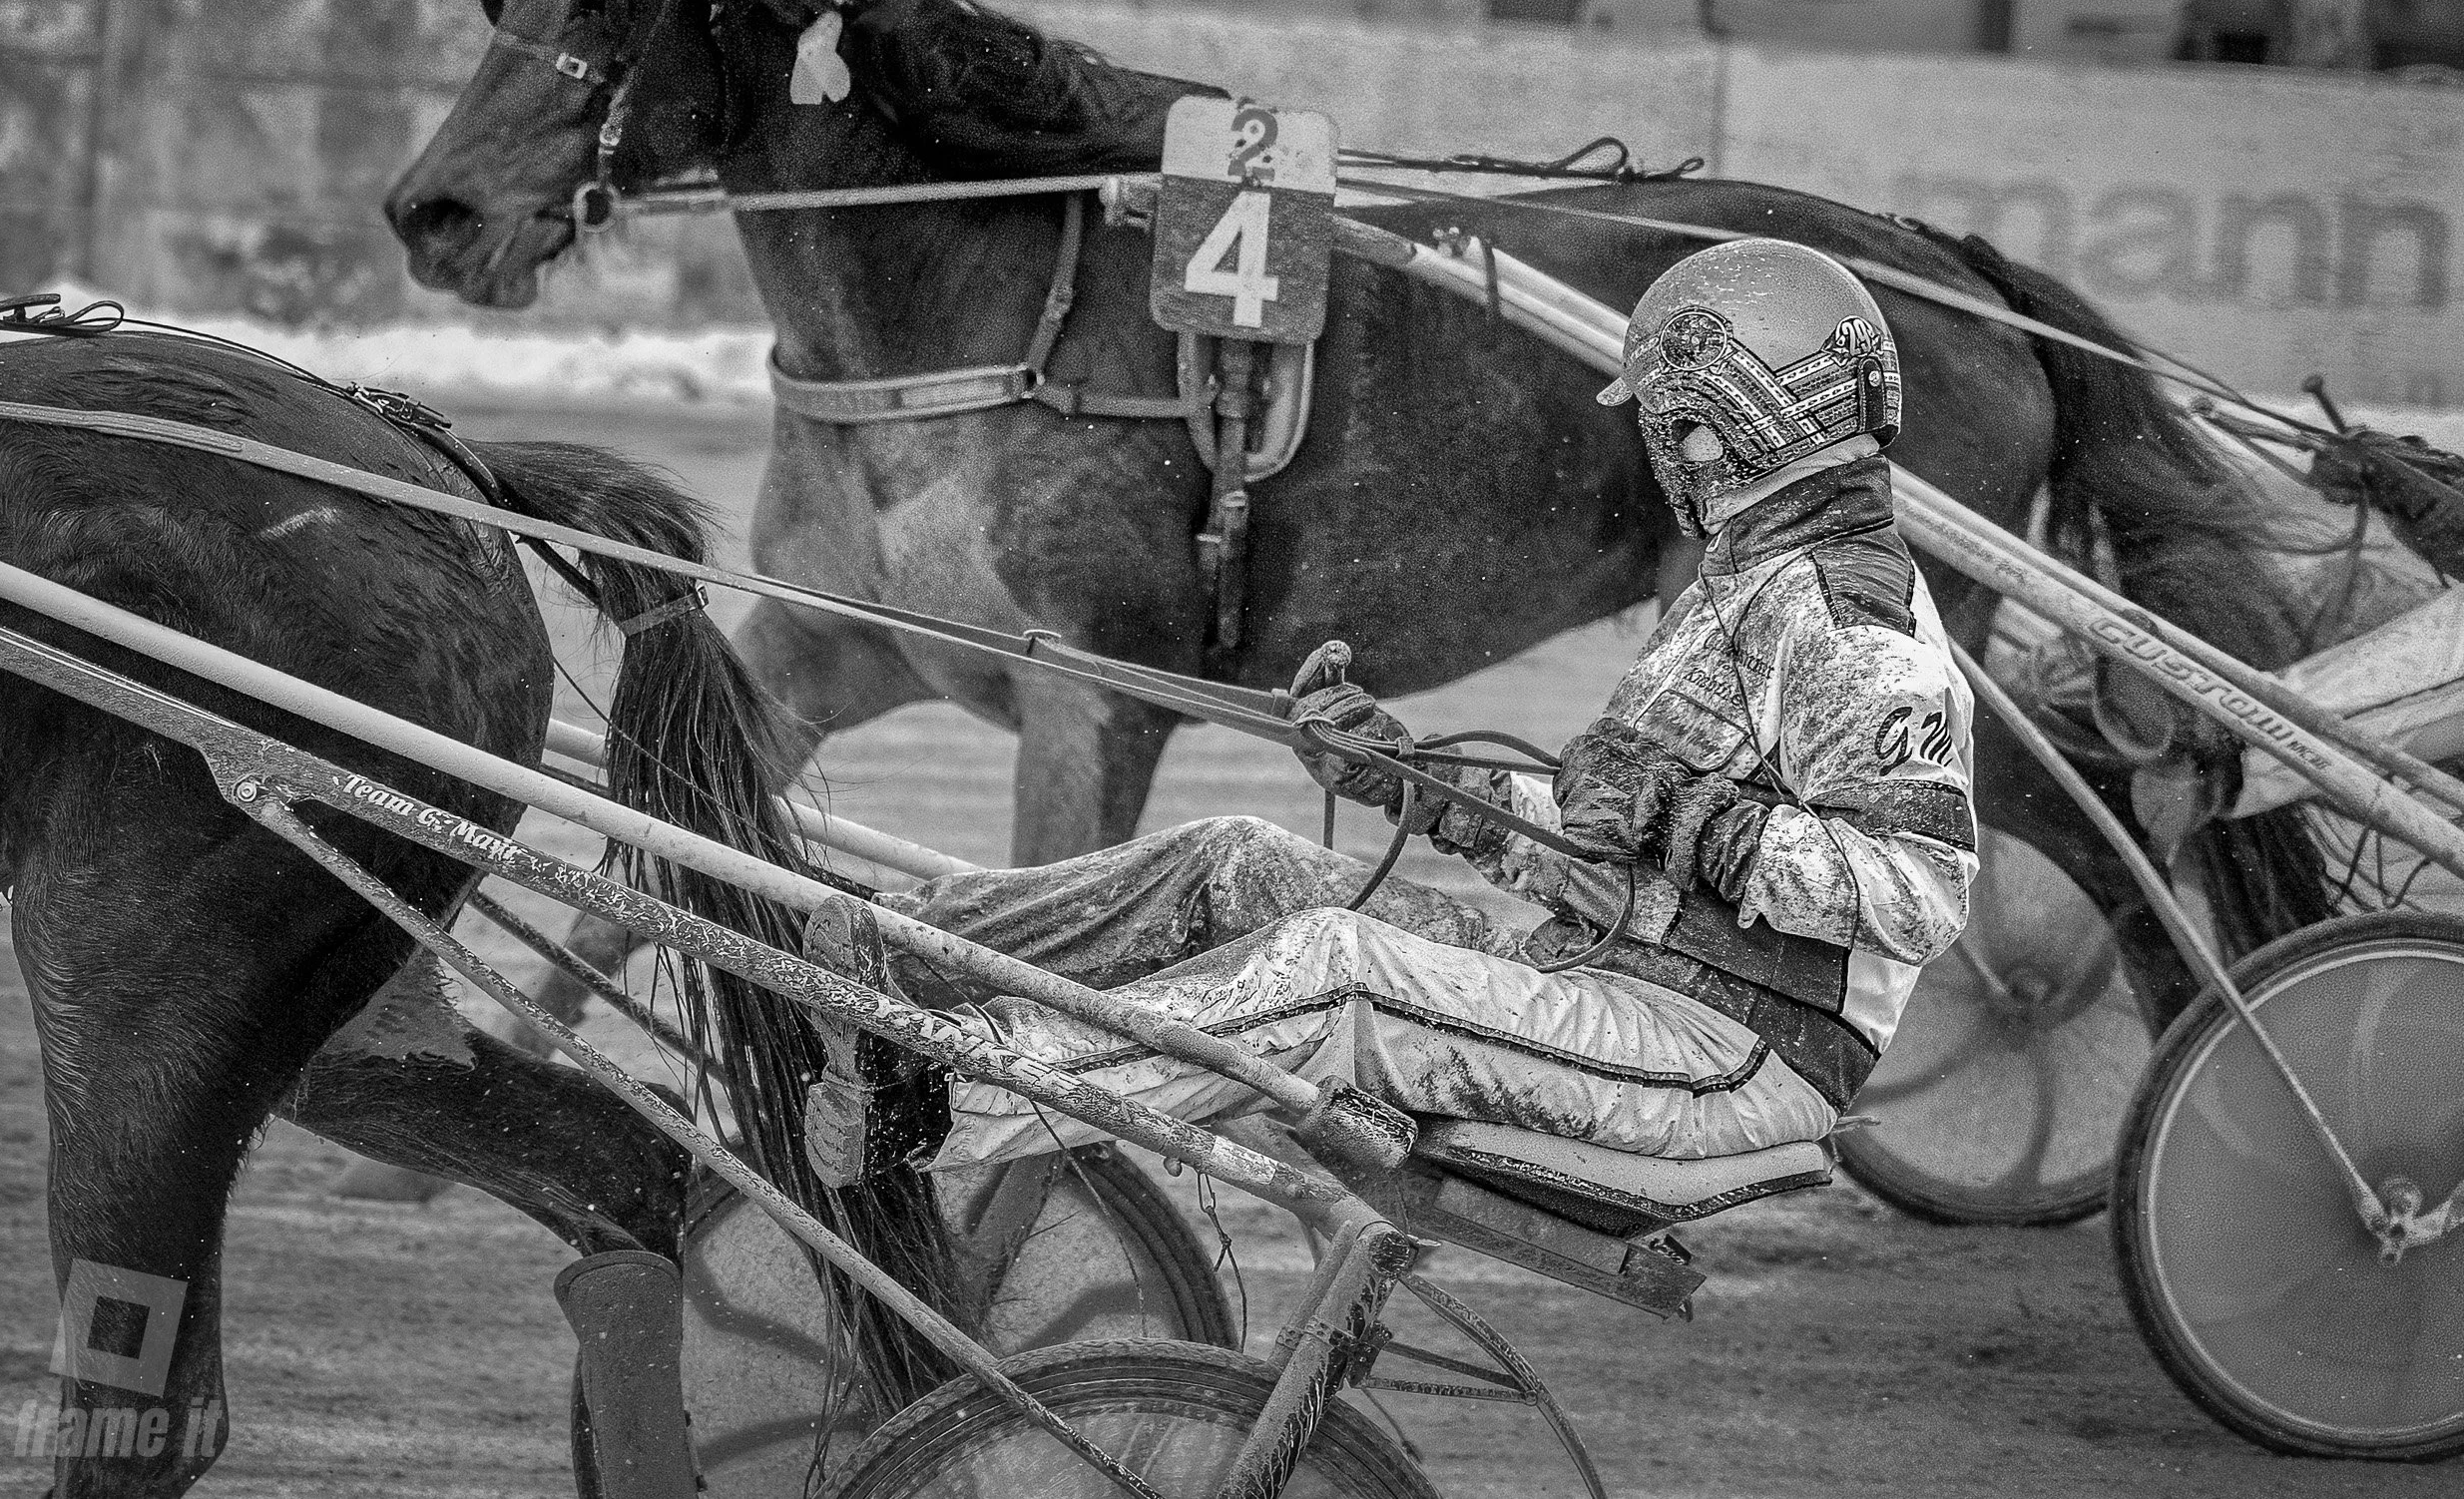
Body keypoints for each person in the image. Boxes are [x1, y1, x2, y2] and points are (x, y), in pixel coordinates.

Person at [801, 238, 1980, 1188]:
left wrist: (1684, 815)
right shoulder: (1750, 582)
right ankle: (890, 947)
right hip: (1612, 976)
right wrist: (1415, 782)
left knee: (1337, 967)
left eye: (1670, 421)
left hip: (1724, 1054)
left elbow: (1917, 892)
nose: (1664, 448)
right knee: (1237, 861)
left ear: (1727, 422)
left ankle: (948, 1096)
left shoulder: (1849, 621)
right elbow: (1614, 846)